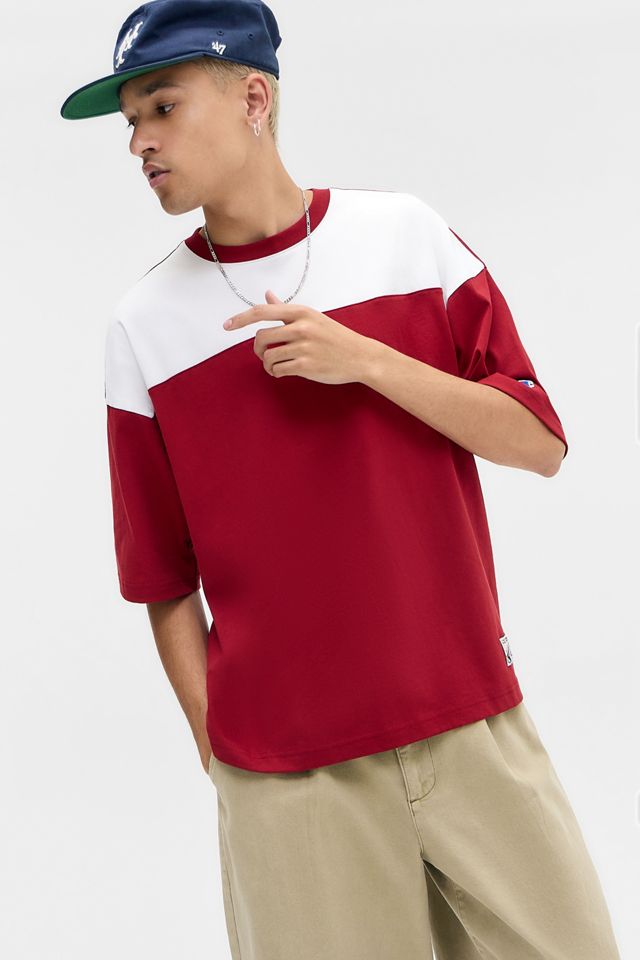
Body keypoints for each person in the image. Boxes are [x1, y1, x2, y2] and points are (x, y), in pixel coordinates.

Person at [60, 2, 622, 958]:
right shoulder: (145, 326)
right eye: (130, 121)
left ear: (253, 97)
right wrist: (224, 756)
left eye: (162, 106)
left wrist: (365, 361)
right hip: (290, 783)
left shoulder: (405, 237)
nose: (139, 142)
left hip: (469, 723)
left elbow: (539, 443)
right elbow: (161, 580)